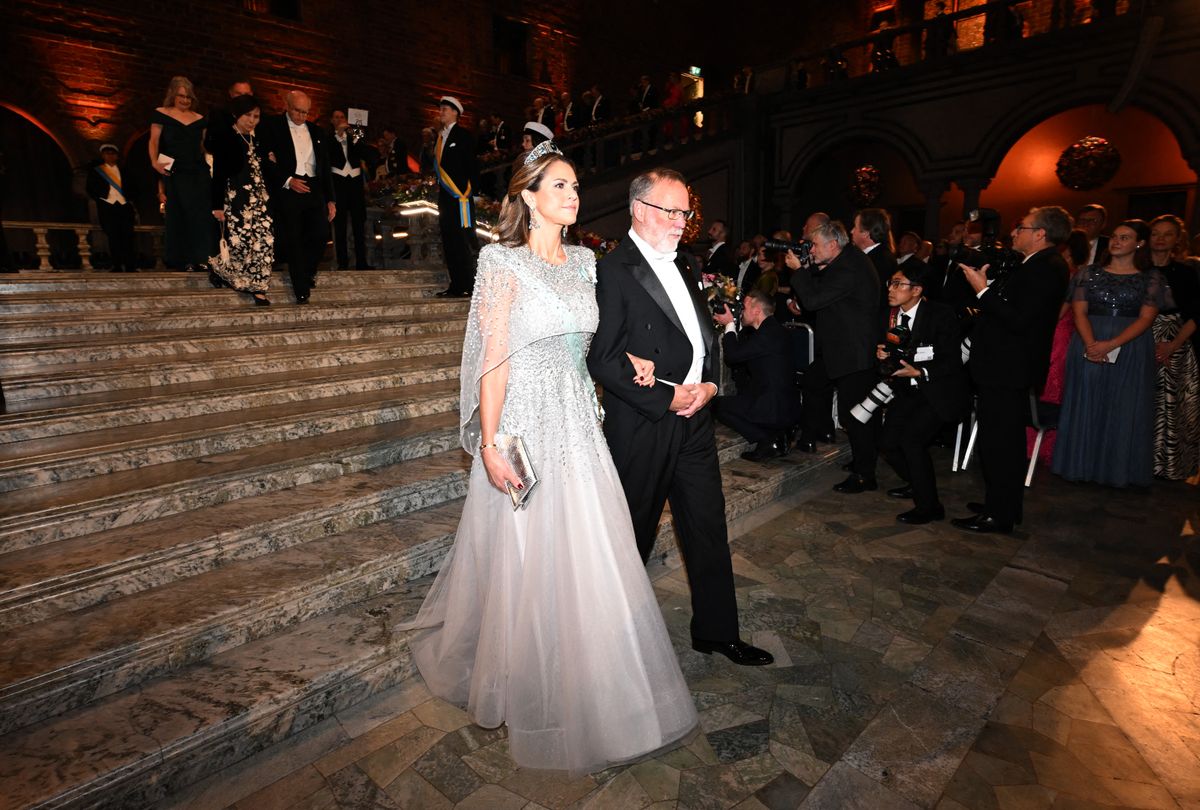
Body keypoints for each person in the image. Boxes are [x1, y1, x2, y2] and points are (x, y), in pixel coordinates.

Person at [400, 142, 698, 775]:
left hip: (578, 421)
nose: (572, 195)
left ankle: (589, 676)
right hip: (524, 422)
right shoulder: (498, 263)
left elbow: (594, 345)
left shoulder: (587, 262)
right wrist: (488, 442)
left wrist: (632, 361)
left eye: (574, 186)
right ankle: (521, 678)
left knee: (585, 546)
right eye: (559, 186)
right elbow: (493, 359)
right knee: (523, 552)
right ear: (528, 197)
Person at [587, 167, 773, 668]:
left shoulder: (686, 263)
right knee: (632, 537)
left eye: (686, 212)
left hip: (695, 421)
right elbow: (602, 357)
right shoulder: (613, 269)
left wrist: (712, 385)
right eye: (672, 211)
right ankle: (610, 647)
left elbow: (707, 338)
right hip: (645, 425)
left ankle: (717, 631)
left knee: (708, 528)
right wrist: (664, 399)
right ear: (641, 209)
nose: (682, 221)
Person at [952, 206, 1071, 533]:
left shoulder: (1047, 268)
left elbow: (1019, 319)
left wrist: (983, 290)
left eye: (1022, 226)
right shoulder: (1033, 264)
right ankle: (999, 503)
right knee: (997, 440)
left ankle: (1000, 514)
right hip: (1002, 367)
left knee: (1002, 444)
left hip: (1009, 369)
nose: (1015, 232)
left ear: (1040, 234)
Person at [1053, 220, 1170, 487]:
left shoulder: (1151, 278)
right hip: (1088, 338)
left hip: (1130, 345)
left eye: (1125, 237)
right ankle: (1080, 465)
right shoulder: (1088, 273)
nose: (1116, 241)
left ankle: (1117, 471)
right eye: (1115, 237)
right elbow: (1078, 311)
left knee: (1123, 405)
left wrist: (1111, 343)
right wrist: (1092, 342)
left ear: (1139, 243)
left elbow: (1146, 319)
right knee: (1086, 401)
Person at [788, 220, 882, 492]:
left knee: (855, 415)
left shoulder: (850, 267)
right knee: (814, 381)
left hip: (852, 353)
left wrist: (799, 271)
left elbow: (815, 300)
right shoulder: (845, 260)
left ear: (832, 244)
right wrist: (808, 270)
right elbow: (821, 293)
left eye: (815, 245)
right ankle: (815, 433)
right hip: (839, 349)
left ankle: (865, 474)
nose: (811, 250)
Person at [877, 264, 969, 523]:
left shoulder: (940, 315)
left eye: (898, 284)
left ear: (917, 290)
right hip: (907, 390)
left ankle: (930, 506)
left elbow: (952, 361)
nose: (891, 290)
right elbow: (894, 351)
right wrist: (883, 355)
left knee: (912, 441)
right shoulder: (892, 315)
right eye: (891, 283)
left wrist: (920, 372)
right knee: (887, 443)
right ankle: (916, 482)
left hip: (938, 391)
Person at [259, 90, 336, 304]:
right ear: (287, 105)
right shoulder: (272, 126)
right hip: (289, 187)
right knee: (293, 238)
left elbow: (325, 166)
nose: (301, 116)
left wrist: (331, 199)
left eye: (305, 112)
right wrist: (287, 180)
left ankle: (307, 271)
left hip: (313, 187)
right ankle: (301, 289)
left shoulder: (317, 131)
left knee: (320, 234)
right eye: (297, 110)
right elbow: (265, 160)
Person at [712, 289, 800, 461]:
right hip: (784, 403)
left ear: (757, 311)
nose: (740, 311)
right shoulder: (773, 330)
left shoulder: (767, 334)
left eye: (743, 307)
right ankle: (776, 435)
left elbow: (733, 356)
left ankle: (768, 440)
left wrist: (729, 324)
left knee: (715, 405)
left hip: (774, 407)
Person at [207, 94, 273, 305]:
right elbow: (218, 174)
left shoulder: (259, 140)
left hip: (259, 199)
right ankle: (223, 271)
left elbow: (265, 171)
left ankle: (259, 287)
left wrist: (271, 160)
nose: (252, 120)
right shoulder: (227, 138)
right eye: (248, 115)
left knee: (264, 241)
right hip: (236, 197)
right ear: (236, 115)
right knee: (241, 242)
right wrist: (217, 205)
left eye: (256, 116)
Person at [1147, 215, 1199, 480]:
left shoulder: (1186, 273)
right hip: (1136, 339)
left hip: (1173, 341)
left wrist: (1173, 345)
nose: (1160, 238)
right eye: (1155, 233)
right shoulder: (1137, 269)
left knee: (1168, 405)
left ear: (1176, 240)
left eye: (1167, 234)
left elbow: (1195, 314)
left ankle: (1164, 465)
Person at [149, 76, 212, 271]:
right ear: (173, 95)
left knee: (200, 214)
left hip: (197, 169)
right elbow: (154, 142)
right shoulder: (161, 113)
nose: (185, 100)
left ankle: (201, 258)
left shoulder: (200, 119)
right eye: (181, 96)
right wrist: (155, 163)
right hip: (173, 168)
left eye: (188, 97)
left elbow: (204, 147)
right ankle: (180, 259)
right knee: (178, 213)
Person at [432, 96, 480, 298]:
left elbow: (472, 165)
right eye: (441, 109)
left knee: (463, 241)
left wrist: (474, 193)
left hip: (461, 197)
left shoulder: (463, 135)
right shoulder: (440, 137)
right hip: (446, 197)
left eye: (445, 109)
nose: (441, 112)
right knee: (449, 241)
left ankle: (469, 284)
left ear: (455, 113)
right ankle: (456, 284)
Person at [327, 109, 373, 270]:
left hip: (355, 185)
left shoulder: (356, 136)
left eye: (342, 117)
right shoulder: (327, 139)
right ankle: (343, 263)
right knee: (340, 226)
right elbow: (326, 158)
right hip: (338, 184)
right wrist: (338, 135)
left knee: (359, 224)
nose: (340, 120)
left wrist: (353, 137)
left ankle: (361, 262)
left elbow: (367, 154)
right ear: (332, 121)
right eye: (336, 117)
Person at [85, 144, 138, 273]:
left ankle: (130, 265)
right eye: (107, 153)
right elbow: (90, 188)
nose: (110, 156)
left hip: (124, 206)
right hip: (107, 206)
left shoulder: (124, 170)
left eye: (112, 153)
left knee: (128, 237)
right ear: (103, 155)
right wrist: (101, 198)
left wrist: (129, 197)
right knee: (113, 237)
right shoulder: (97, 171)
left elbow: (134, 186)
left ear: (117, 156)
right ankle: (117, 265)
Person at [204, 79, 253, 153]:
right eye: (238, 94)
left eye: (246, 94)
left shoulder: (259, 117)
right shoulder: (219, 115)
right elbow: (209, 145)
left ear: (251, 94)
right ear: (231, 93)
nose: (242, 98)